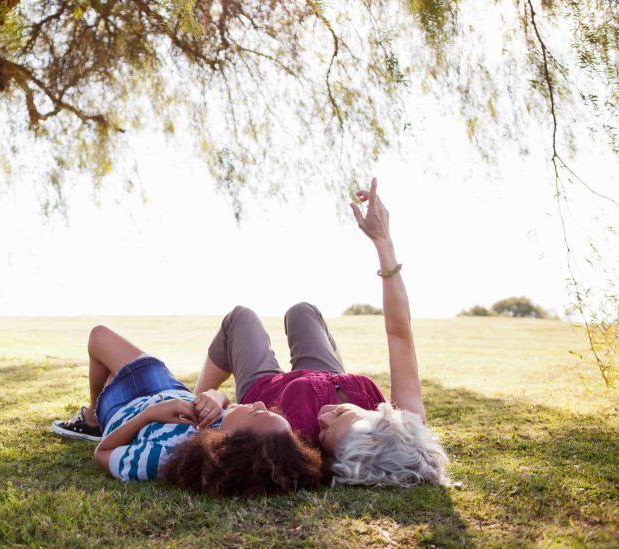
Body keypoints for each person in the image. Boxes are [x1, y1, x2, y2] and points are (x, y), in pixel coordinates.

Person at [193, 178, 448, 488]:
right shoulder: (405, 423)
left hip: (267, 392)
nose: (324, 418)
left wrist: (214, 404)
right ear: (379, 419)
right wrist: (383, 241)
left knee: (241, 319)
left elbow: (243, 432)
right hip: (326, 376)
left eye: (324, 435)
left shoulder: (295, 441)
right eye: (340, 415)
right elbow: (399, 334)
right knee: (303, 312)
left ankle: (192, 408)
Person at [51, 325, 326, 494]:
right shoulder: (224, 424)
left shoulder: (164, 457)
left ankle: (93, 418)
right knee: (100, 341)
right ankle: (92, 412)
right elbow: (229, 402)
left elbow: (103, 453)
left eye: (257, 412)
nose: (259, 403)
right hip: (166, 385)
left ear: (233, 445)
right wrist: (217, 398)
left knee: (101, 348)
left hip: (124, 407)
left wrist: (149, 414)